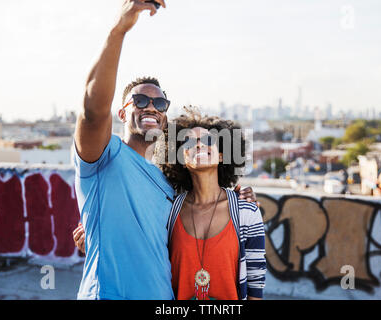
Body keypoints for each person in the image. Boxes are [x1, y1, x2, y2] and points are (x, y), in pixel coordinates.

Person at [73, 0, 257, 300]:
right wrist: (119, 30)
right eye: (140, 101)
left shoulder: (170, 181)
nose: (151, 108)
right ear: (122, 113)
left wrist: (236, 199)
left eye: (159, 104)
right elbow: (93, 111)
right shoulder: (103, 158)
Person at [75, 106, 266, 300]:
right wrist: (95, 234)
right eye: (190, 142)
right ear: (182, 158)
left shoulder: (245, 211)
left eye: (209, 140)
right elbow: (138, 238)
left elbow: (255, 284)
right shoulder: (170, 209)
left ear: (222, 155)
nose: (199, 145)